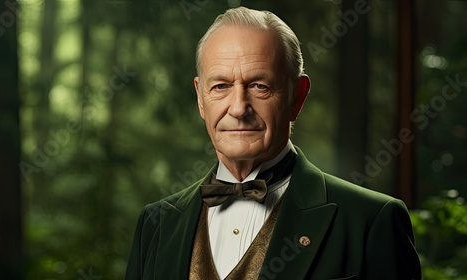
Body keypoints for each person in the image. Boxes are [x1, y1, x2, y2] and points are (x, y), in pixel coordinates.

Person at [125, 6, 422, 280]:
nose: (239, 108)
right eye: (221, 86)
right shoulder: (157, 224)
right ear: (201, 97)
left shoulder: (370, 222)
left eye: (259, 86)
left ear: (298, 96)